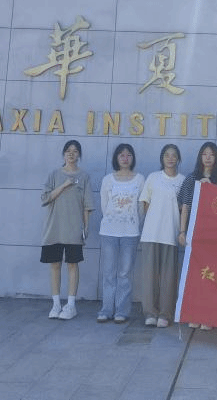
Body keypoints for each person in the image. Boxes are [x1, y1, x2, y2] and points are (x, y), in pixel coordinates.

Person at [178, 141, 217, 331]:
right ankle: (194, 314)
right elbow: (185, 206)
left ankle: (208, 316)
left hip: (215, 235)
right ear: (200, 157)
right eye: (204, 154)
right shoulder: (191, 178)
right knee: (194, 276)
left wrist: (211, 189)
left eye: (212, 154)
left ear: (216, 158)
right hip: (194, 234)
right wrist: (182, 231)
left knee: (211, 277)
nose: (208, 157)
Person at [40, 139, 95, 321]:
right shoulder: (54, 174)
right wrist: (64, 185)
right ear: (64, 154)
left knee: (72, 264)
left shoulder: (84, 176)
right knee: (55, 264)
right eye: (68, 151)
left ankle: (71, 305)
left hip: (73, 229)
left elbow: (87, 205)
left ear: (79, 155)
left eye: (75, 151)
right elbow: (45, 198)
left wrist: (86, 227)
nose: (71, 153)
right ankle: (56, 304)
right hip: (54, 228)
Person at [97, 143, 144, 324]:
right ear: (116, 158)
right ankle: (106, 310)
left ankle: (121, 311)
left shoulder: (139, 179)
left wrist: (133, 223)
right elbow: (104, 205)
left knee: (124, 273)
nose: (125, 158)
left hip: (130, 232)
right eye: (121, 155)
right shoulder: (108, 180)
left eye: (128, 155)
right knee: (109, 272)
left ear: (133, 158)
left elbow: (141, 207)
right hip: (109, 231)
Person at [139, 144, 185, 328]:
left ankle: (165, 314)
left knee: (168, 277)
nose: (170, 158)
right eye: (167, 155)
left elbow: (184, 209)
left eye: (174, 155)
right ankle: (150, 313)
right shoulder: (153, 177)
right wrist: (154, 220)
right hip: (151, 233)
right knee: (149, 275)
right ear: (162, 158)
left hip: (171, 233)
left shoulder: (183, 181)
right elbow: (145, 203)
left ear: (178, 159)